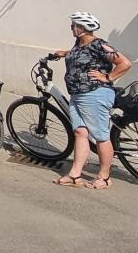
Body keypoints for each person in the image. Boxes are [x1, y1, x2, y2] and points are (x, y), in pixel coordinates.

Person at [52, 12, 131, 190]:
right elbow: (79, 55)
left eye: (73, 25)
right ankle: (75, 174)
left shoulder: (100, 45)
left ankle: (104, 176)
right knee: (80, 132)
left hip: (94, 94)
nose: (71, 28)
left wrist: (107, 77)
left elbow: (125, 63)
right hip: (77, 95)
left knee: (101, 136)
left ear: (81, 28)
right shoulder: (79, 43)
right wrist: (64, 54)